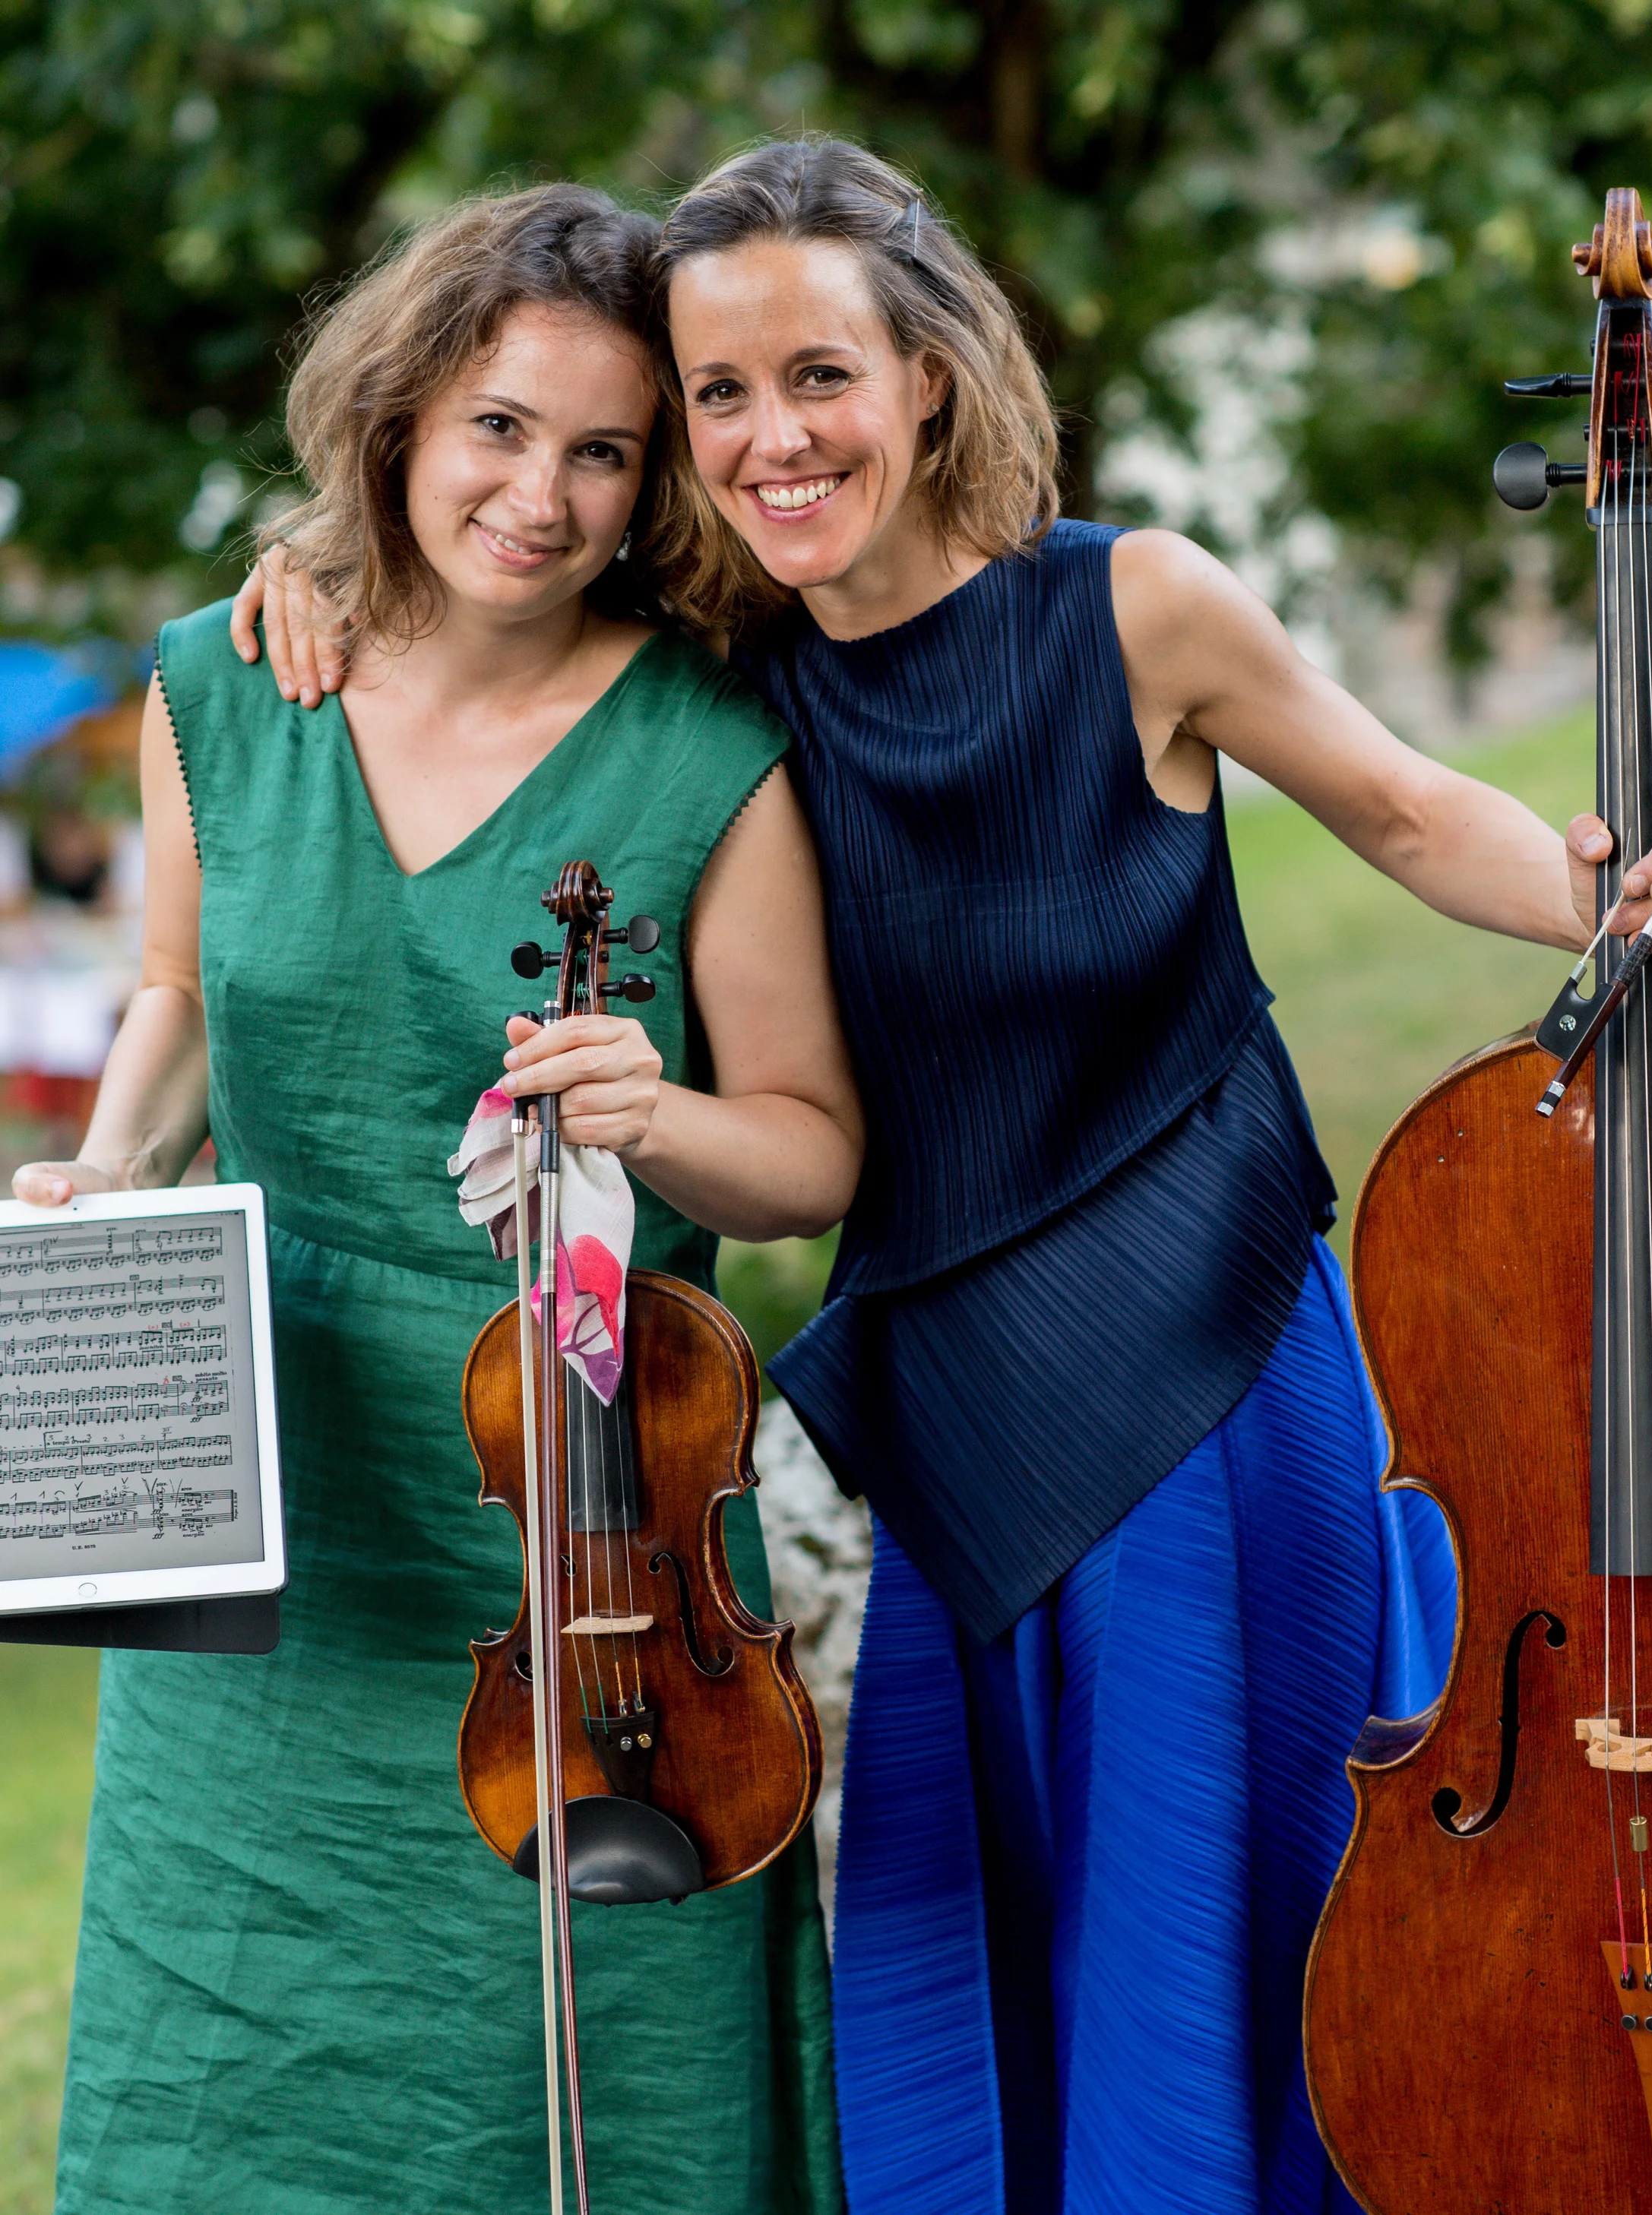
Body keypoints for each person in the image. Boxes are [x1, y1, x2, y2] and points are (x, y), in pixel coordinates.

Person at [236, 141, 1652, 2215]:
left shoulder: (1138, 601)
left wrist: (1609, 900)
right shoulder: (724, 688)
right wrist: (323, 563)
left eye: (817, 373)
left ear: (930, 375)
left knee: (1233, 1923)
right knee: (973, 1939)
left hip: (1210, 1364)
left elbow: (1414, 808)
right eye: (715, 397)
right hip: (960, 1406)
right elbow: (485, 557)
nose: (767, 434)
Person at [23, 183, 862, 2215]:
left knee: (606, 2093)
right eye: (498, 425)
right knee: (229, 2091)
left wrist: (655, 1114)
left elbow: (815, 1144)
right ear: (400, 412)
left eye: (603, 450)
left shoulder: (711, 750)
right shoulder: (225, 685)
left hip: (585, 1522)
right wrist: (109, 1165)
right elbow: (174, 991)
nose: (540, 494)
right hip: (277, 1516)